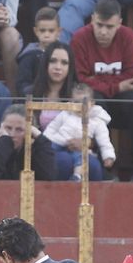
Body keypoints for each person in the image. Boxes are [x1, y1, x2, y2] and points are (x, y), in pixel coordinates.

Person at [70, 0, 133, 179]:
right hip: (99, 99)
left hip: (120, 102)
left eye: (109, 27)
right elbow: (82, 80)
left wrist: (99, 82)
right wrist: (116, 85)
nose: (103, 32)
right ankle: (104, 169)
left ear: (119, 24)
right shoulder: (79, 38)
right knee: (95, 103)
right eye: (99, 25)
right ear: (92, 19)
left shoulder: (128, 36)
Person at [30, 41, 103, 180]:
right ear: (45, 64)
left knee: (92, 165)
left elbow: (96, 125)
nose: (58, 67)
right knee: (63, 161)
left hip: (77, 148)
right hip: (44, 149)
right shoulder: (32, 93)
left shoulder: (80, 94)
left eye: (64, 63)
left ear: (70, 67)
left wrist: (87, 141)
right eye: (53, 61)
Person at [0, 104, 61, 181]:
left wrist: (40, 139)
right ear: (1, 127)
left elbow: (49, 176)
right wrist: (5, 144)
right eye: (8, 128)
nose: (12, 134)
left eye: (19, 129)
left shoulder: (36, 150)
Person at [42, 82, 114, 178]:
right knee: (47, 151)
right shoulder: (65, 113)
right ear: (71, 102)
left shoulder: (97, 120)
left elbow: (104, 141)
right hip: (59, 142)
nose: (80, 106)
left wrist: (108, 156)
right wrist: (44, 142)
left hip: (80, 148)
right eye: (76, 102)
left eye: (83, 102)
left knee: (80, 158)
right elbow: (52, 128)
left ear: (92, 103)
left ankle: (77, 176)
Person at [16, 6, 60, 95]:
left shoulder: (64, 54)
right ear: (36, 31)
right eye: (42, 31)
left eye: (51, 31)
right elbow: (22, 85)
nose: (46, 35)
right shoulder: (29, 55)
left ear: (59, 31)